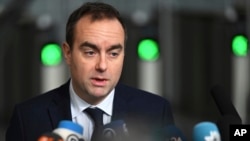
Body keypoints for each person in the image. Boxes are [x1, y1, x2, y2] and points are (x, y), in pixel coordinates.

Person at [5, 2, 175, 141]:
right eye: (90, 52)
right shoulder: (27, 118)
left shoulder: (156, 112)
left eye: (113, 53)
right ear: (68, 53)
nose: (102, 65)